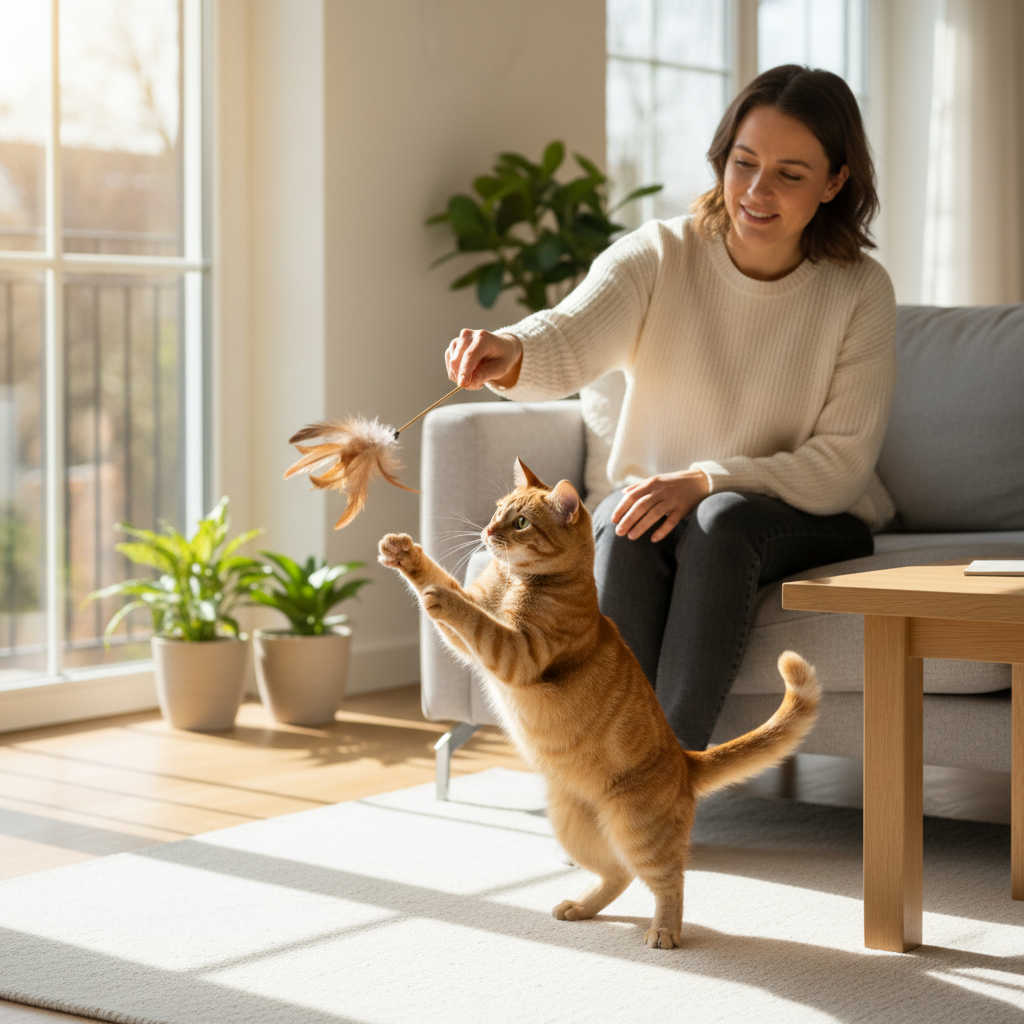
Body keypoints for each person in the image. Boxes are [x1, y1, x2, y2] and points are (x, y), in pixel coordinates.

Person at [443, 65, 897, 751]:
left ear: (835, 182)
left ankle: (662, 780)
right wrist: (509, 347)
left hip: (807, 514)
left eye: (790, 174)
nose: (756, 191)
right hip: (665, 505)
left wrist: (706, 478)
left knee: (719, 517)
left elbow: (840, 467)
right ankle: (602, 767)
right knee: (630, 523)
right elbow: (569, 333)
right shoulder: (661, 254)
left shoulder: (859, 290)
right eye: (743, 162)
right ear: (722, 158)